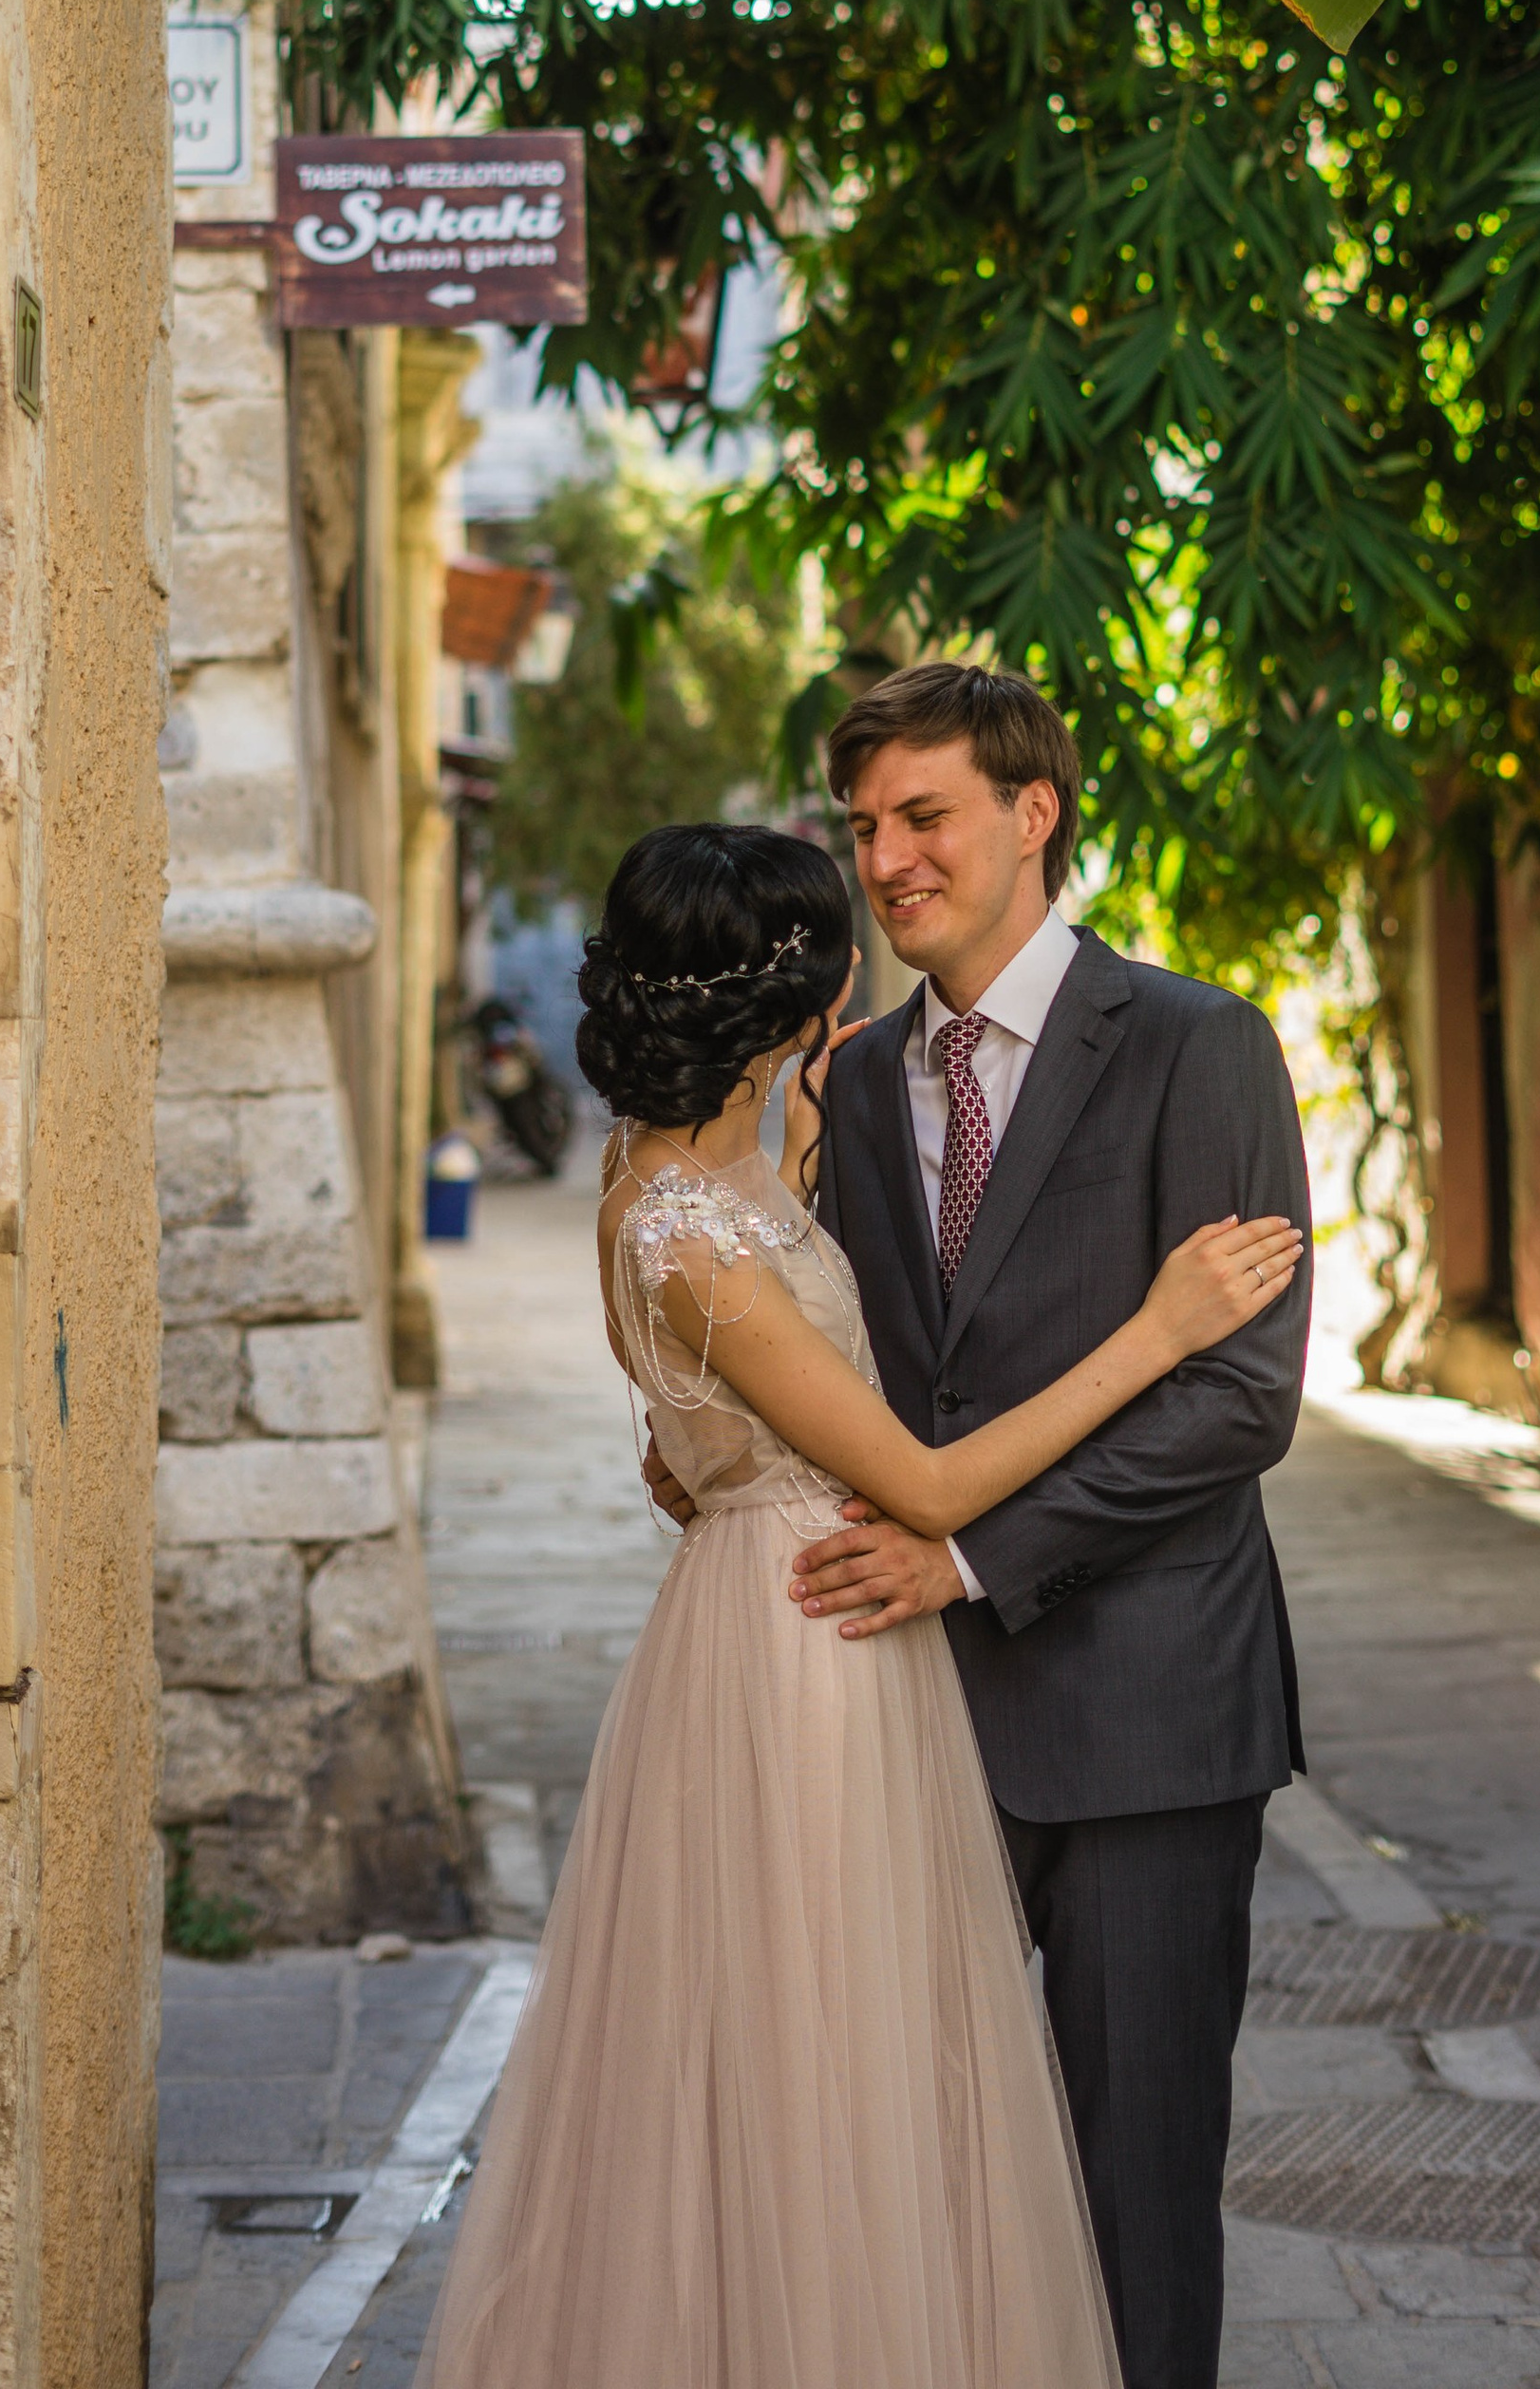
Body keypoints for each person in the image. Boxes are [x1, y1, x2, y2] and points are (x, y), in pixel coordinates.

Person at [413, 818, 1304, 2389]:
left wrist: (702, 1448)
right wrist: (1164, 1324)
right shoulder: (692, 1222)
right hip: (819, 1628)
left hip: (789, 1596)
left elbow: (704, 1412)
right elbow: (933, 1485)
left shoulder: (694, 1170)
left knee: (815, 2071)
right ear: (799, 1001)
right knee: (831, 2073)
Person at [779, 663, 1312, 2389]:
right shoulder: (859, 1090)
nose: (888, 860)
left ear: (1034, 812)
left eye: (923, 816)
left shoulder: (1197, 1044)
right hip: (913, 1716)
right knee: (930, 2175)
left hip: (1147, 1712)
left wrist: (970, 1554)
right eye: (866, 827)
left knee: (1135, 2185)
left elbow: (1238, 1401)